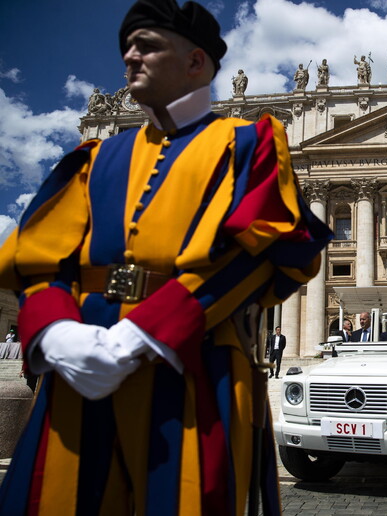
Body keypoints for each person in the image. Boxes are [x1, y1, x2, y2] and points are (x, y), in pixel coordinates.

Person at [0, 1, 331, 514]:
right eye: (126, 47)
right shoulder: (94, 157)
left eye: (148, 45)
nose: (130, 56)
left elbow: (269, 249)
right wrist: (55, 331)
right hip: (78, 363)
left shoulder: (249, 143)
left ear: (197, 61)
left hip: (195, 360)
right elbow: (37, 256)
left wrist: (143, 332)